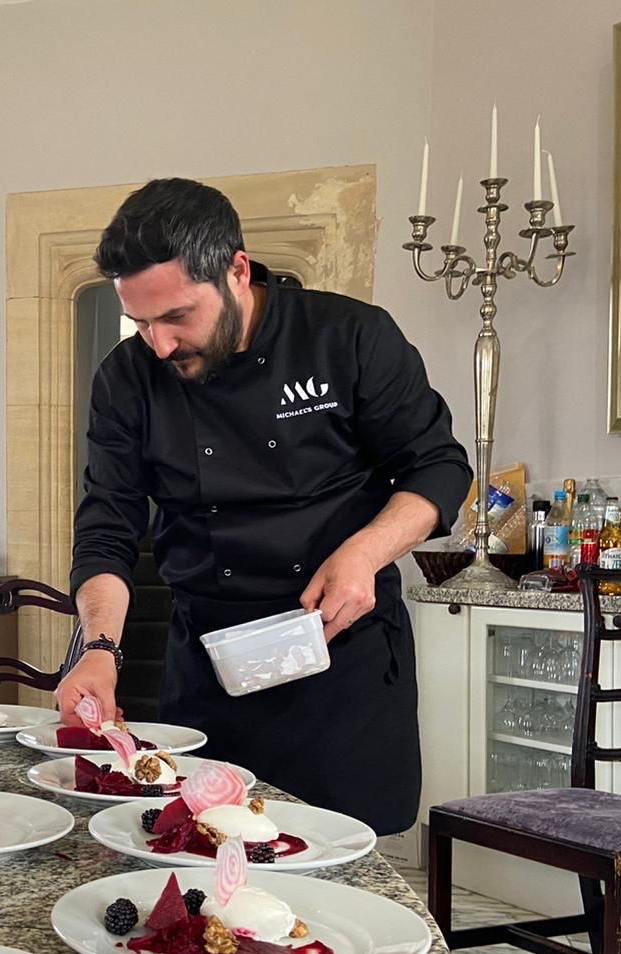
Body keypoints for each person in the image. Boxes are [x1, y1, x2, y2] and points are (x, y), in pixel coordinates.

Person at [59, 178, 472, 835]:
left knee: (339, 859)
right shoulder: (125, 378)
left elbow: (440, 466)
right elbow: (107, 526)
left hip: (339, 656)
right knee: (200, 847)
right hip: (208, 665)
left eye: (176, 316)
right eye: (140, 323)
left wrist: (364, 553)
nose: (159, 344)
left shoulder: (349, 337)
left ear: (237, 270)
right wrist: (100, 646)